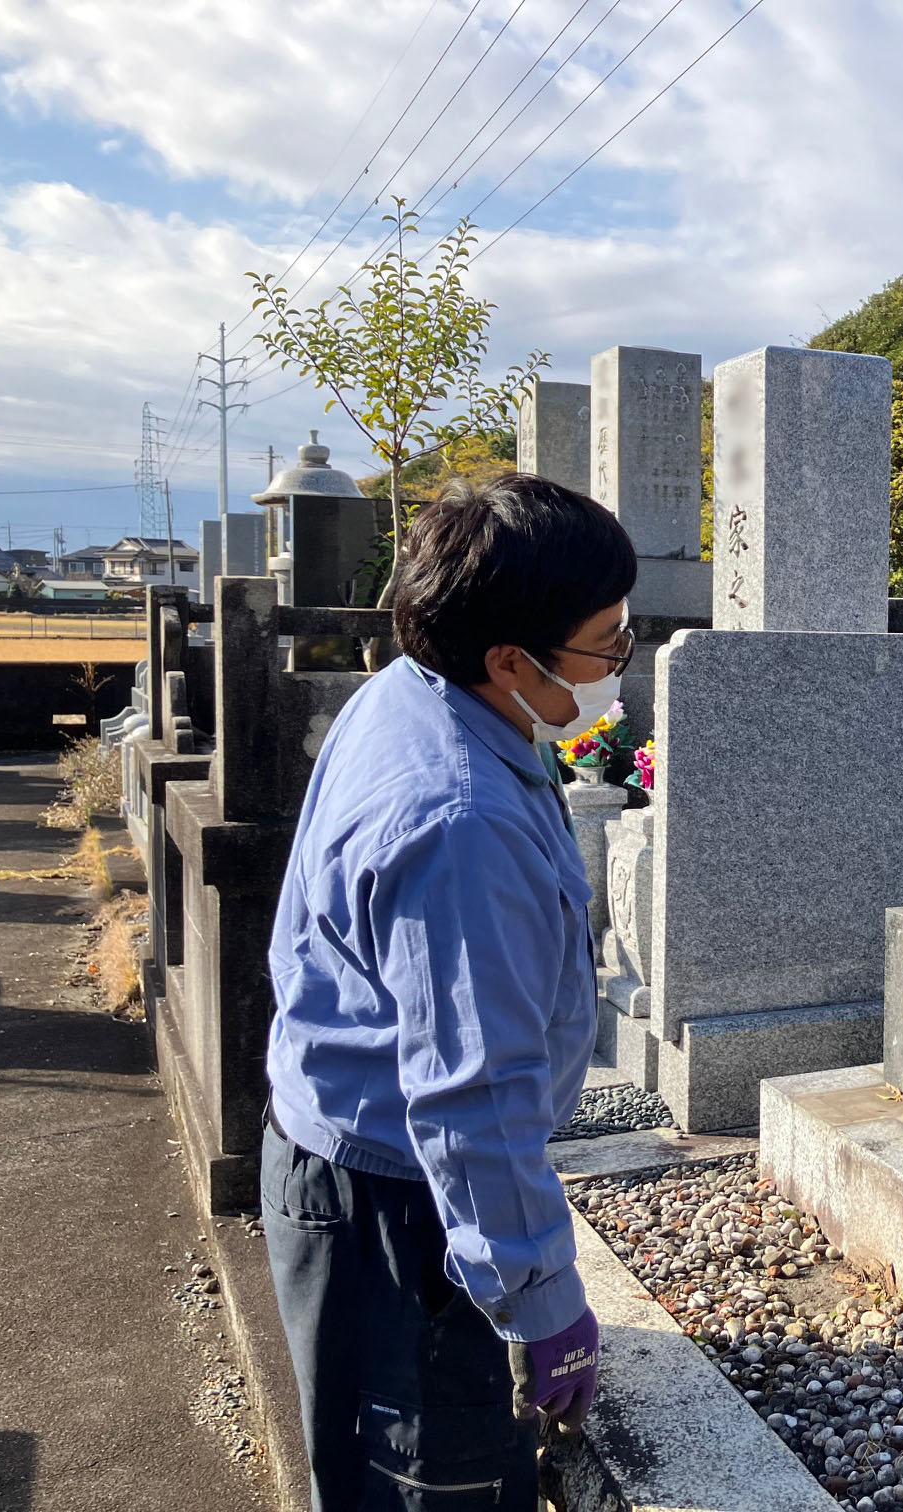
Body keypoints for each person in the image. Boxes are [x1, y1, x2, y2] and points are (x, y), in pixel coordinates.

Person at [261, 472, 637, 1507]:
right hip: (394, 1205)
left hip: (344, 1148)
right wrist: (543, 1303)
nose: (617, 665)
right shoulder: (459, 818)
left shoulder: (419, 695)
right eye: (606, 644)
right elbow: (473, 1100)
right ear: (509, 658)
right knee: (437, 1478)